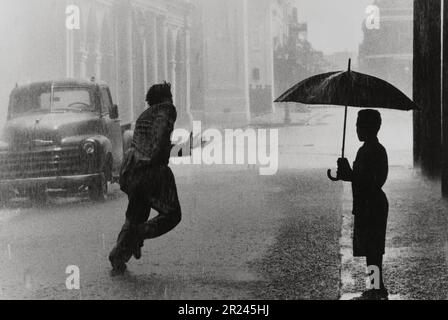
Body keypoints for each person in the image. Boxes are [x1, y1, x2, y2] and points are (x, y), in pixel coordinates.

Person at [109, 82, 182, 275]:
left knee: (135, 215)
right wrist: (158, 156)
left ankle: (118, 256)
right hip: (150, 170)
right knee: (172, 215)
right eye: (170, 97)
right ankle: (137, 235)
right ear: (165, 98)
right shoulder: (167, 110)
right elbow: (157, 141)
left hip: (133, 171)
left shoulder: (144, 116)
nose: (173, 101)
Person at [336, 109, 389, 300]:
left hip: (371, 205)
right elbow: (366, 178)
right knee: (371, 249)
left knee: (373, 249)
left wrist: (349, 173)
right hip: (370, 203)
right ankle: (375, 286)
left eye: (359, 126)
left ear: (368, 128)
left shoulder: (373, 150)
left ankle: (377, 288)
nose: (356, 129)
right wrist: (347, 174)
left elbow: (372, 180)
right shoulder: (370, 149)